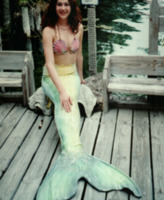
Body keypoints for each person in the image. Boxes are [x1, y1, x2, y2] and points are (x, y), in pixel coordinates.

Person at [36, 0, 142, 199]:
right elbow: (50, 65)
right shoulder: (48, 31)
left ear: (71, 6)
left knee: (72, 102)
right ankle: (73, 154)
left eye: (66, 3)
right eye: (59, 4)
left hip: (72, 77)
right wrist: (61, 91)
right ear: (54, 6)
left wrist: (81, 78)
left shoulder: (79, 28)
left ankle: (75, 155)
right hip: (53, 78)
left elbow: (79, 57)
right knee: (63, 102)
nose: (63, 8)